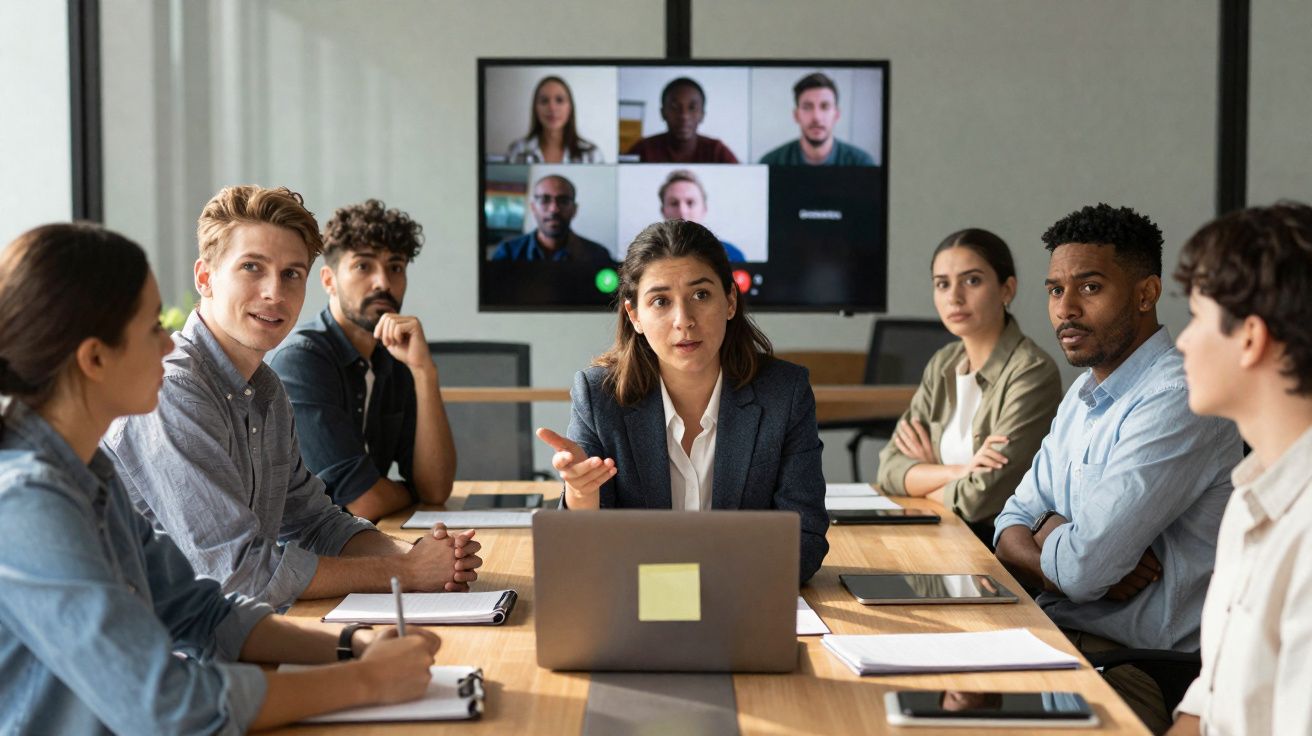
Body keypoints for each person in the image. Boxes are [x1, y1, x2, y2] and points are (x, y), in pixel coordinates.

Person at [0, 223, 442, 733]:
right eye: (151, 329)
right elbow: (167, 707)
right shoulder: (28, 504)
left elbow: (199, 613)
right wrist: (367, 682)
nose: (169, 342)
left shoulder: (88, 472)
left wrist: (352, 645)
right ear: (95, 358)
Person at [103, 185, 482, 610]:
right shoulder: (171, 390)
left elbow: (315, 523)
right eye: (252, 267)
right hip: (167, 656)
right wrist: (409, 572)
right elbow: (239, 573)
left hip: (238, 636)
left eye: (291, 274)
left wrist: (413, 554)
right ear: (205, 278)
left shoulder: (266, 390)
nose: (275, 293)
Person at [992, 204, 1242, 735]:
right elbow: (1006, 528)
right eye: (1055, 290)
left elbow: (1084, 571)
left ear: (1146, 294)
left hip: (1132, 668)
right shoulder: (1082, 395)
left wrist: (1047, 533)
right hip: (1052, 638)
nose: (1065, 309)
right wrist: (1053, 534)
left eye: (1089, 288)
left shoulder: (1177, 397)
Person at [535, 220, 829, 582]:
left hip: (740, 606)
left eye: (701, 295)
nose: (684, 321)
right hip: (637, 611)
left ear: (731, 301)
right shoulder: (599, 396)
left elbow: (805, 542)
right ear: (635, 316)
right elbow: (581, 558)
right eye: (660, 301)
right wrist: (581, 494)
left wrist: (696, 586)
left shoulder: (785, 392)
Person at [1166, 202, 1312, 736]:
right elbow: (1210, 701)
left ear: (1250, 338)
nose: (1181, 340)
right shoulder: (1252, 496)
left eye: (1197, 317)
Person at [269, 199, 456, 522]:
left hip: (363, 543)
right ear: (328, 280)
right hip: (301, 558)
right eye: (363, 266)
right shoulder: (301, 361)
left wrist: (424, 372)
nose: (383, 282)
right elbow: (365, 502)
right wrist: (410, 492)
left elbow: (436, 489)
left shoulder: (396, 357)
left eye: (395, 267)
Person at [876, 229, 1061, 546]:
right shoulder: (943, 363)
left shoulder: (1032, 372)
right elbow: (888, 469)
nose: (954, 297)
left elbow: (978, 498)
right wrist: (957, 471)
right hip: (938, 534)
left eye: (972, 280)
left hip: (994, 549)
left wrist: (924, 473)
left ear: (1007, 289)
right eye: (942, 284)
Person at [490, 174, 613, 266]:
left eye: (563, 201)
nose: (554, 209)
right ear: (533, 208)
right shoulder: (507, 253)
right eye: (545, 200)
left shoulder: (598, 255)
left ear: (574, 209)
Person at [759, 72, 875, 167]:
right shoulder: (770, 163)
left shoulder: (862, 163)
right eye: (807, 107)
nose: (816, 117)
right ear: (796, 115)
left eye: (825, 107)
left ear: (836, 115)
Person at [627, 77, 739, 164]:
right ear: (662, 113)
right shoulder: (644, 149)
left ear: (702, 115)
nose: (684, 115)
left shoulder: (716, 151)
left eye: (692, 107)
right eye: (675, 107)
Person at [505, 75, 603, 164]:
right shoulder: (517, 151)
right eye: (544, 101)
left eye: (559, 100)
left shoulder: (591, 154)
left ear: (570, 108)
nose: (552, 107)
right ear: (535, 108)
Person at [658, 169, 747, 262]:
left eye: (690, 203)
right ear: (663, 211)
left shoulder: (733, 256)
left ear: (704, 209)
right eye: (674, 203)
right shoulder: (647, 255)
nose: (682, 211)